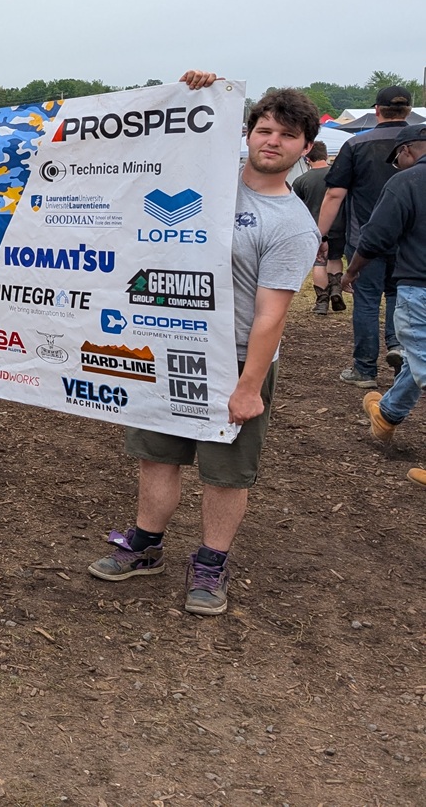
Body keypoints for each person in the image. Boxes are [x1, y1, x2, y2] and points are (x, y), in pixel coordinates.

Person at [88, 73, 319, 617]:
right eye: (264, 129)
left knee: (224, 472)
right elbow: (156, 141)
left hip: (236, 359)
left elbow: (271, 316)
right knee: (156, 456)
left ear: (305, 147)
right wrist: (198, 90)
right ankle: (145, 545)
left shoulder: (290, 224)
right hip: (168, 348)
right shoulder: (206, 181)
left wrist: (248, 386)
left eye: (287, 136)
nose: (272, 141)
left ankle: (212, 561)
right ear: (246, 133)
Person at [316, 86, 414, 386]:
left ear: (376, 110)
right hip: (411, 240)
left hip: (366, 239)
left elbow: (334, 194)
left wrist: (319, 235)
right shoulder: (418, 142)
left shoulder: (356, 144)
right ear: (408, 111)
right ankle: (400, 354)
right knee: (401, 298)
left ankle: (364, 370)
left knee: (367, 300)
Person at [347, 128, 426, 462]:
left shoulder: (407, 182)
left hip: (419, 285)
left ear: (407, 151)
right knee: (419, 357)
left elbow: (376, 236)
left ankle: (378, 394)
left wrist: (352, 270)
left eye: (397, 160)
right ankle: (388, 413)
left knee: (423, 358)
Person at [291, 141, 346, 315]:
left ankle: (322, 302)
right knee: (335, 258)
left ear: (307, 158)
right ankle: (336, 289)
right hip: (339, 227)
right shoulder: (339, 176)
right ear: (325, 154)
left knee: (319, 263)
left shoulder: (301, 180)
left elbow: (295, 208)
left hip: (315, 229)